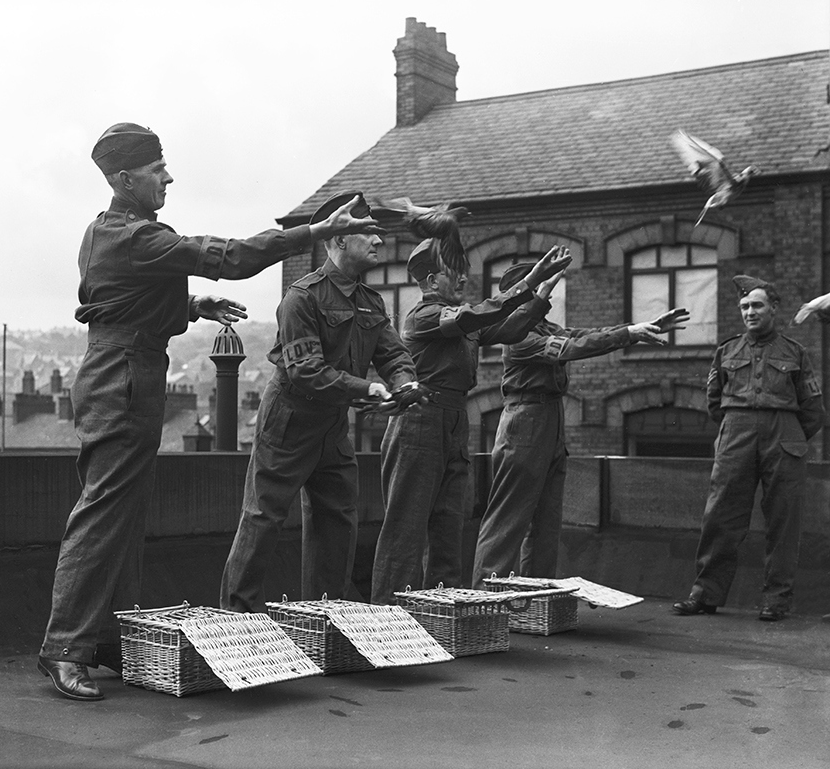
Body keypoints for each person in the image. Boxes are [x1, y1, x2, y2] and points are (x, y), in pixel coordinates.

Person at [38, 125, 387, 702]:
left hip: (131, 371)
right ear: (125, 179)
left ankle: (99, 639)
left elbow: (117, 299)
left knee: (122, 515)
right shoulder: (130, 235)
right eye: (157, 170)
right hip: (122, 376)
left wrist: (192, 305)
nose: (168, 177)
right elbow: (227, 256)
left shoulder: (118, 235)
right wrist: (316, 230)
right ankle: (63, 647)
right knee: (102, 514)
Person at [220, 191, 425, 613]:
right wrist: (366, 390)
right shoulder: (302, 298)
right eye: (367, 233)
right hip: (290, 421)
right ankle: (234, 621)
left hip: (332, 426)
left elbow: (393, 354)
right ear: (337, 240)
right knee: (263, 517)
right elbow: (305, 370)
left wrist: (404, 384)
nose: (378, 242)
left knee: (337, 520)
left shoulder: (371, 301)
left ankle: (323, 618)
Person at [370, 241, 572, 604]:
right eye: (453, 271)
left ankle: (440, 614)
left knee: (449, 527)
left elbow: (511, 327)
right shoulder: (426, 316)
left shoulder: (461, 321)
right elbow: (475, 317)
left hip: (453, 420)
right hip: (420, 420)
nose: (463, 277)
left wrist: (540, 291)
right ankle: (389, 617)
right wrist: (530, 279)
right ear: (431, 280)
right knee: (406, 528)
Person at [472, 265, 690, 587]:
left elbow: (584, 335)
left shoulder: (545, 328)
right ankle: (483, 599)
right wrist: (630, 335)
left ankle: (534, 600)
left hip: (549, 420)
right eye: (533, 292)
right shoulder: (517, 336)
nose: (542, 297)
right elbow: (575, 347)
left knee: (546, 523)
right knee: (507, 520)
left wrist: (636, 328)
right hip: (525, 421)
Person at [673, 275, 823, 621]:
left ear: (773, 308)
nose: (750, 312)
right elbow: (714, 402)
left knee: (783, 522)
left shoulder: (796, 353)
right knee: (720, 515)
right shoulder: (726, 351)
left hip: (784, 436)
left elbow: (813, 409)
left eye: (757, 305)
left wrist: (790, 438)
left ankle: (777, 600)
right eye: (744, 307)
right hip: (736, 433)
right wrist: (735, 429)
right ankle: (705, 594)